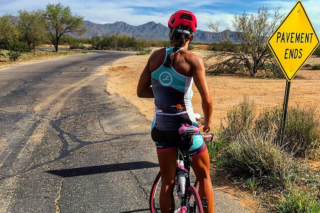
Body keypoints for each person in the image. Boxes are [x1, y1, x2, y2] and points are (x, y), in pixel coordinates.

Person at [137, 10, 214, 213]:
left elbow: (141, 91)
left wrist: (164, 96)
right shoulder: (193, 60)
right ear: (192, 36)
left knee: (167, 184)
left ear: (170, 32)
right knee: (204, 175)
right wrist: (208, 123)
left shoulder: (155, 57)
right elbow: (207, 100)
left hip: (161, 128)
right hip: (186, 127)